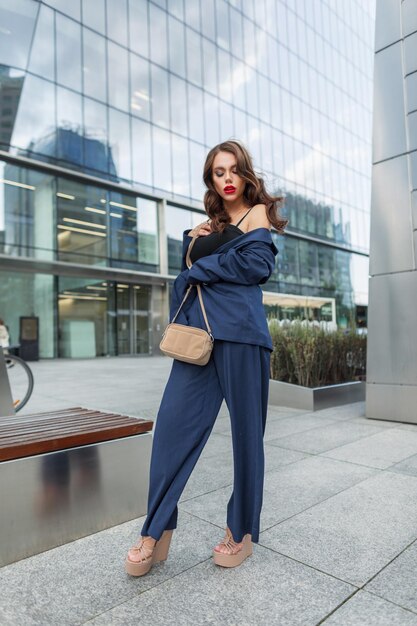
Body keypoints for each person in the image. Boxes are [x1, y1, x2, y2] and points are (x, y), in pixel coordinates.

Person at [125, 139, 288, 576]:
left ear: (245, 173)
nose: (228, 178)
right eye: (219, 172)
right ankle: (154, 531)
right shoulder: (207, 223)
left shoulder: (258, 216)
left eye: (234, 169)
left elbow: (256, 266)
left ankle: (241, 532)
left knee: (246, 439)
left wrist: (200, 265)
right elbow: (197, 270)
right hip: (198, 338)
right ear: (211, 178)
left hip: (242, 337)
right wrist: (199, 253)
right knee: (171, 431)